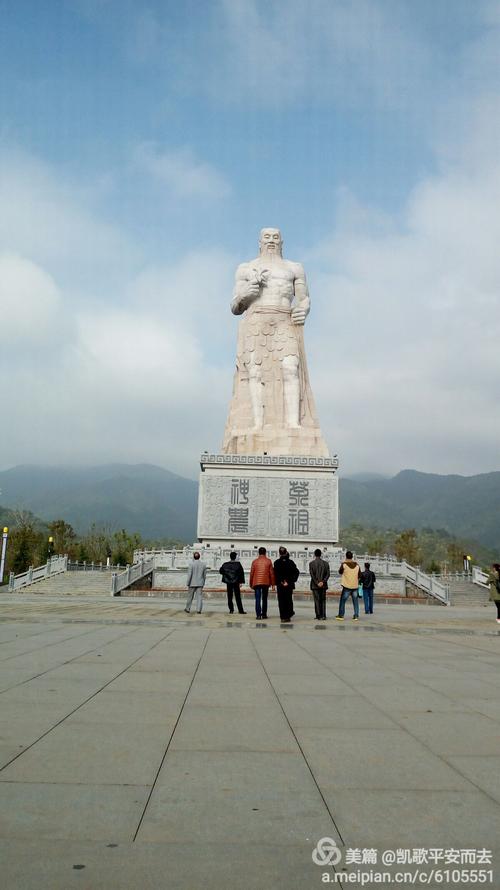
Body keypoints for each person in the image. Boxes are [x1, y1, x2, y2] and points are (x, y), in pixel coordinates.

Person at [222, 227, 328, 456]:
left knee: (291, 368)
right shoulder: (246, 268)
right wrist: (246, 293)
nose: (271, 240)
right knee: (255, 373)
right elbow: (235, 306)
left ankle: (293, 424)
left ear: (282, 242)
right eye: (267, 237)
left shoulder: (294, 268)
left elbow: (304, 299)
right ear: (259, 242)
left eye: (275, 237)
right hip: (256, 321)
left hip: (284, 319)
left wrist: (304, 309)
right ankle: (257, 425)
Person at [274, 547, 299, 622]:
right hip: (289, 584)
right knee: (288, 600)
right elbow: (296, 572)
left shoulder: (276, 563)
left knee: (281, 601)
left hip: (280, 585)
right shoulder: (290, 562)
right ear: (286, 552)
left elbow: (276, 574)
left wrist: (281, 581)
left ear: (279, 553)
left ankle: (283, 617)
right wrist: (289, 581)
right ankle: (288, 616)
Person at [249, 546, 275, 619]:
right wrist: (273, 584)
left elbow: (251, 573)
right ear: (265, 553)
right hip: (266, 582)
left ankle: (258, 615)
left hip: (256, 582)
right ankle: (264, 614)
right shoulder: (268, 561)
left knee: (257, 599)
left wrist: (251, 583)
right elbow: (272, 574)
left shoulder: (254, 561)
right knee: (264, 599)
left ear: (259, 553)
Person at [337, 550, 361, 621]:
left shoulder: (344, 565)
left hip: (346, 586)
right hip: (355, 586)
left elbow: (340, 572)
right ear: (352, 557)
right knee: (355, 602)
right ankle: (356, 615)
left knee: (343, 601)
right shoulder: (357, 565)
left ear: (346, 556)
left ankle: (341, 615)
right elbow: (360, 575)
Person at [309, 548, 330, 620]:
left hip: (315, 585)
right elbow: (328, 574)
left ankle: (318, 615)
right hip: (323, 585)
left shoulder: (311, 563)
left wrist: (317, 582)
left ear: (315, 554)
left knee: (317, 600)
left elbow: (312, 575)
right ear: (321, 554)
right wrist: (323, 582)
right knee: (323, 600)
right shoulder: (326, 563)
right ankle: (323, 615)